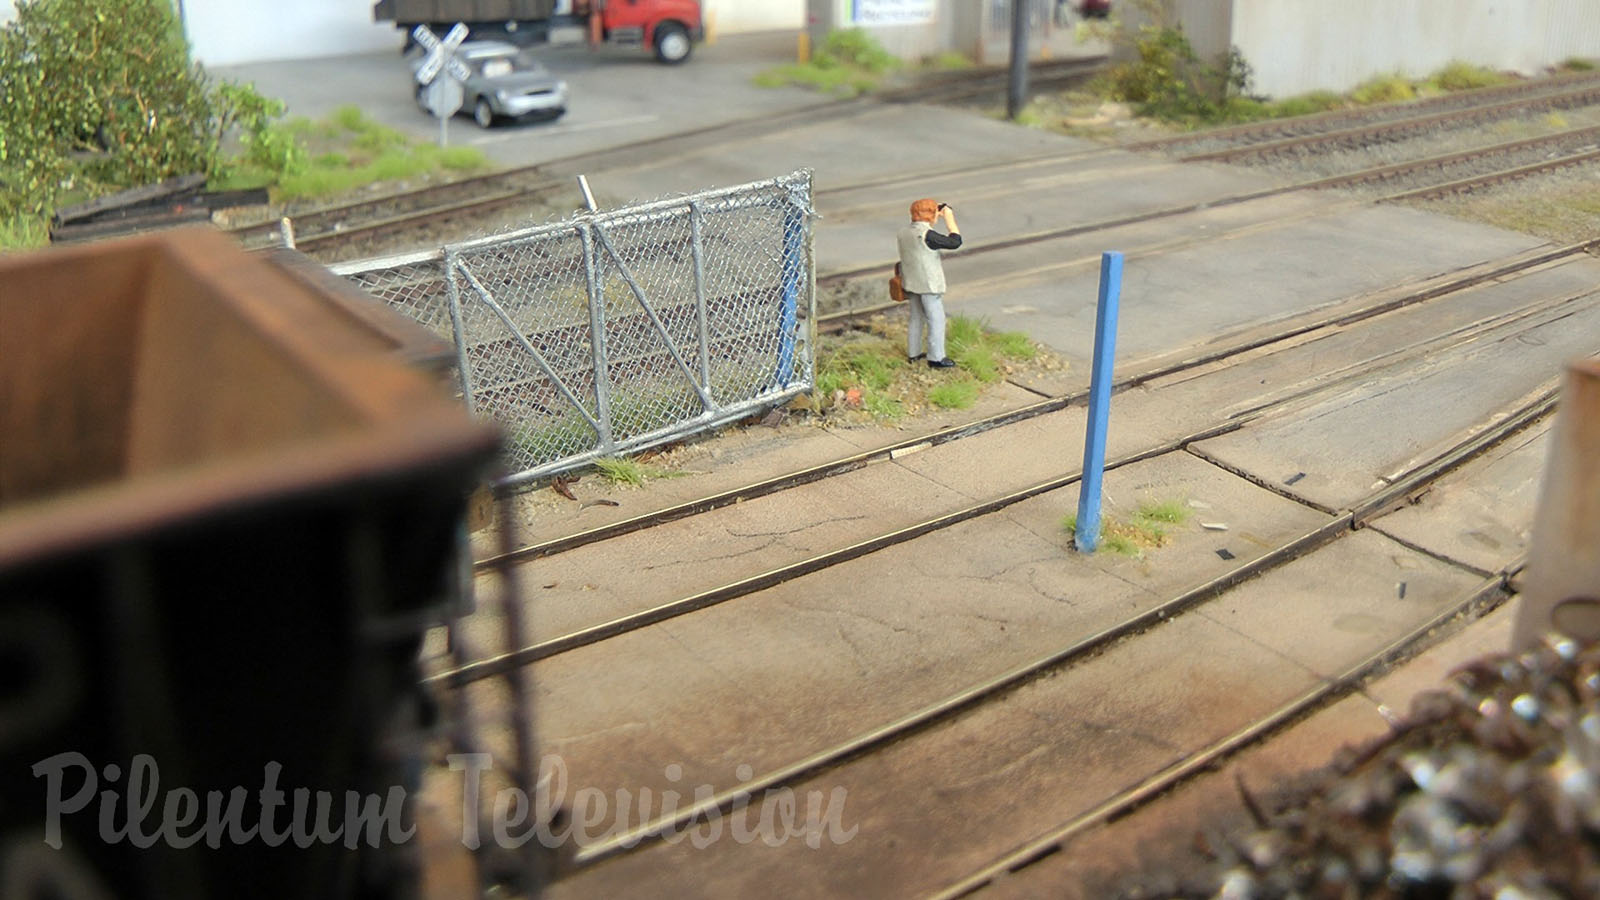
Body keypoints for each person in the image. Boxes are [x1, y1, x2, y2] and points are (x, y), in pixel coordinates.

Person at [896, 198, 962, 369]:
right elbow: (955, 242)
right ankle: (936, 357)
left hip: (911, 281)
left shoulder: (903, 232)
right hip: (929, 284)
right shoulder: (927, 235)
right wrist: (949, 218)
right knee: (937, 319)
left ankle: (914, 354)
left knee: (916, 317)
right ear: (931, 215)